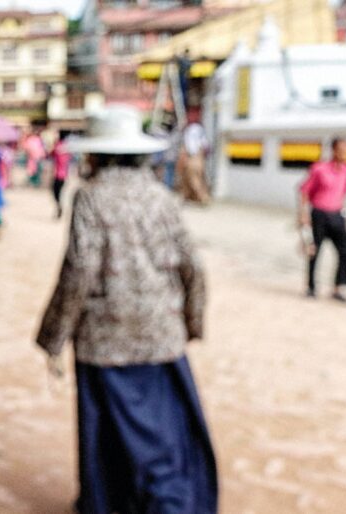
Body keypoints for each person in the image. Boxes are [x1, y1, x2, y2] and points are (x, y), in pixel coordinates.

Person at [36, 106, 216, 514]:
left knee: (110, 438)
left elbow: (78, 271)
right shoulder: (162, 198)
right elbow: (194, 267)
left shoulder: (91, 198)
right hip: (161, 338)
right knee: (165, 437)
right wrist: (191, 323)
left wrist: (53, 336)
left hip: (104, 343)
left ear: (96, 155)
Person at [299, 137, 346, 302]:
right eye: (341, 149)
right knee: (314, 251)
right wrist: (303, 215)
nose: (345, 152)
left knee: (345, 250)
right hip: (319, 215)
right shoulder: (319, 169)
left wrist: (344, 212)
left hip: (337, 215)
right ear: (334, 150)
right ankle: (311, 287)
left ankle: (338, 288)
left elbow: (344, 192)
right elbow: (305, 191)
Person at [176, 114, 211, 204]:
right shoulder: (201, 131)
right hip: (199, 159)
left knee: (193, 179)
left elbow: (188, 148)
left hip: (192, 159)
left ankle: (203, 198)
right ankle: (188, 197)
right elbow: (206, 146)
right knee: (193, 179)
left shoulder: (189, 131)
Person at [51, 136, 72, 219]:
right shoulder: (67, 148)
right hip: (64, 175)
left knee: (56, 193)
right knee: (59, 193)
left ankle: (59, 206)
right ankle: (59, 206)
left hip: (58, 175)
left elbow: (51, 154)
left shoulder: (58, 147)